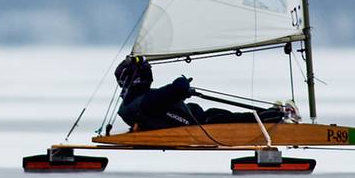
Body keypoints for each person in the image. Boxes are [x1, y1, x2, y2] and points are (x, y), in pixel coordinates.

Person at [114, 56, 290, 131]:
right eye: (147, 70)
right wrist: (183, 83)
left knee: (221, 113)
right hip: (200, 124)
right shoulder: (146, 100)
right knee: (235, 119)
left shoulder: (129, 103)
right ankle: (278, 116)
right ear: (141, 77)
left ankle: (274, 114)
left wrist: (182, 92)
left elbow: (167, 97)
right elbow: (178, 88)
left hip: (198, 118)